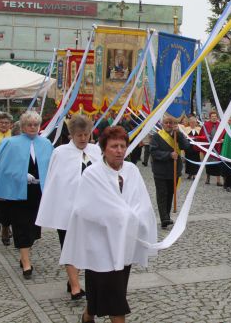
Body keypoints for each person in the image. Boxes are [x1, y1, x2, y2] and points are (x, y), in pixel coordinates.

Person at [61, 126, 157, 323]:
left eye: (123, 146)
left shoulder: (132, 170)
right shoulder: (92, 174)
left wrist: (134, 216)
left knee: (108, 286)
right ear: (103, 149)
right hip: (100, 244)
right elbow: (85, 208)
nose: (119, 150)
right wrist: (119, 215)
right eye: (114, 146)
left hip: (124, 242)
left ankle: (88, 315)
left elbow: (142, 203)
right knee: (114, 294)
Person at [36, 114, 102, 299]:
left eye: (86, 135)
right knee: (68, 245)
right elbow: (55, 182)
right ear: (71, 135)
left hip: (91, 210)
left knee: (87, 246)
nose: (83, 139)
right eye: (79, 135)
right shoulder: (61, 153)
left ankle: (73, 278)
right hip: (67, 210)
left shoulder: (96, 152)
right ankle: (75, 286)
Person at [0, 111, 53, 278]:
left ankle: (25, 255)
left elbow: (52, 166)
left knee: (33, 229)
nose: (33, 127)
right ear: (22, 127)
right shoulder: (11, 143)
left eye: (36, 125)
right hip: (18, 193)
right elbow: (5, 168)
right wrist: (22, 176)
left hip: (37, 193)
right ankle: (26, 262)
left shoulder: (45, 143)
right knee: (21, 226)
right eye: (29, 124)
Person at [150, 115, 192, 229]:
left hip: (174, 171)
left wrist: (179, 135)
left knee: (169, 194)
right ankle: (164, 218)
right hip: (160, 171)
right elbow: (154, 152)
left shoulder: (177, 135)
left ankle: (167, 216)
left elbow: (186, 146)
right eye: (166, 123)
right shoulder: (156, 137)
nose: (169, 125)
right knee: (162, 194)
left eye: (171, 123)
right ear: (162, 124)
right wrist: (168, 155)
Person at [197, 111, 224, 186]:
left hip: (218, 148)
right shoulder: (206, 125)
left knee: (218, 164)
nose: (214, 118)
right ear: (210, 117)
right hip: (209, 148)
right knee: (208, 163)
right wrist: (206, 138)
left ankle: (218, 180)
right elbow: (201, 135)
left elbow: (224, 134)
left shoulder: (221, 125)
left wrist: (223, 139)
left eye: (215, 116)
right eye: (212, 116)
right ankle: (207, 178)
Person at [182, 115, 202, 181]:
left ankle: (195, 174)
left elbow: (202, 137)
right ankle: (189, 173)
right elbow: (183, 138)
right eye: (191, 122)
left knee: (196, 160)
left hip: (196, 148)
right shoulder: (186, 129)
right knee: (188, 160)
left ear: (196, 123)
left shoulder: (199, 129)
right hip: (188, 148)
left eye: (194, 122)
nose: (193, 123)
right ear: (189, 122)